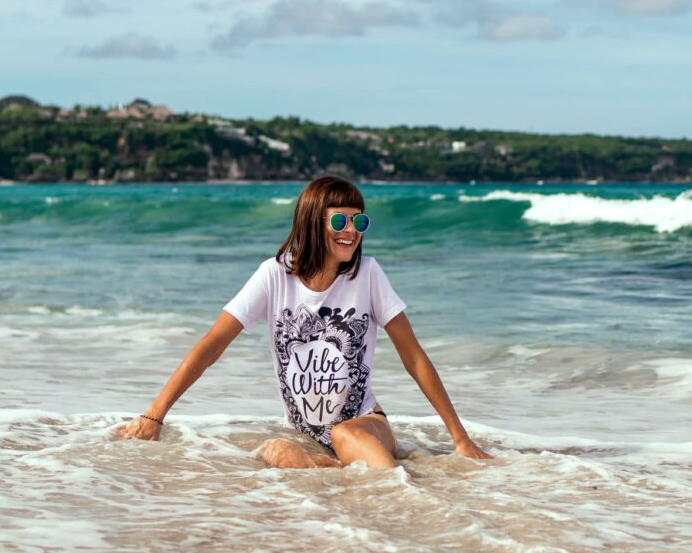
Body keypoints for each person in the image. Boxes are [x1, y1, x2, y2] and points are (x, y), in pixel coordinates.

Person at [113, 175, 493, 469]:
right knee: (275, 453)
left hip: (365, 424)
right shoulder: (273, 276)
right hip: (307, 435)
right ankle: (335, 470)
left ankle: (369, 481)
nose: (352, 231)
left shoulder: (368, 275)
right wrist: (153, 416)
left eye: (359, 220)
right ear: (314, 222)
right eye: (341, 220)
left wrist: (460, 439)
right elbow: (212, 345)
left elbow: (414, 358)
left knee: (346, 433)